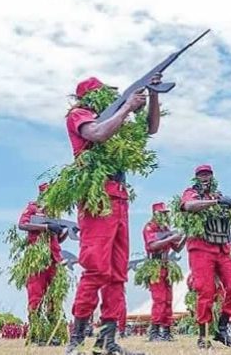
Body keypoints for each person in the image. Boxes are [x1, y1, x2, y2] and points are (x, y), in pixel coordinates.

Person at [62, 76, 161, 355]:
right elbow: (96, 134)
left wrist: (153, 95)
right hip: (97, 197)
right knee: (96, 269)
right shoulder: (79, 114)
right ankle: (76, 340)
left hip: (119, 197)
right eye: (100, 92)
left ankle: (108, 342)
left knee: (118, 272)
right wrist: (127, 107)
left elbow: (150, 129)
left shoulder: (117, 117)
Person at [179, 165, 231, 348]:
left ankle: (222, 328)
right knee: (206, 290)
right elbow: (189, 206)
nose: (205, 177)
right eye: (201, 175)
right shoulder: (191, 192)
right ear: (196, 177)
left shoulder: (218, 195)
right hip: (201, 248)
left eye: (208, 174)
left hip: (221, 249)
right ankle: (204, 336)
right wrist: (217, 203)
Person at [18, 183, 69, 345]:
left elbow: (57, 239)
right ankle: (36, 333)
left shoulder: (55, 212)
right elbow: (22, 224)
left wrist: (64, 231)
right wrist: (46, 226)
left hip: (54, 258)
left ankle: (52, 333)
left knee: (55, 297)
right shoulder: (33, 207)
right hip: (37, 260)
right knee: (36, 297)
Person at [141, 202, 185, 342]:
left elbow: (177, 248)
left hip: (167, 266)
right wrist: (171, 237)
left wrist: (186, 236)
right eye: (162, 213)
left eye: (165, 213)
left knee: (168, 299)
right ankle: (154, 332)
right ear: (155, 214)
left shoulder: (166, 229)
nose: (164, 215)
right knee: (159, 299)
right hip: (155, 266)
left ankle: (166, 331)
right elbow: (152, 245)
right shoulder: (150, 227)